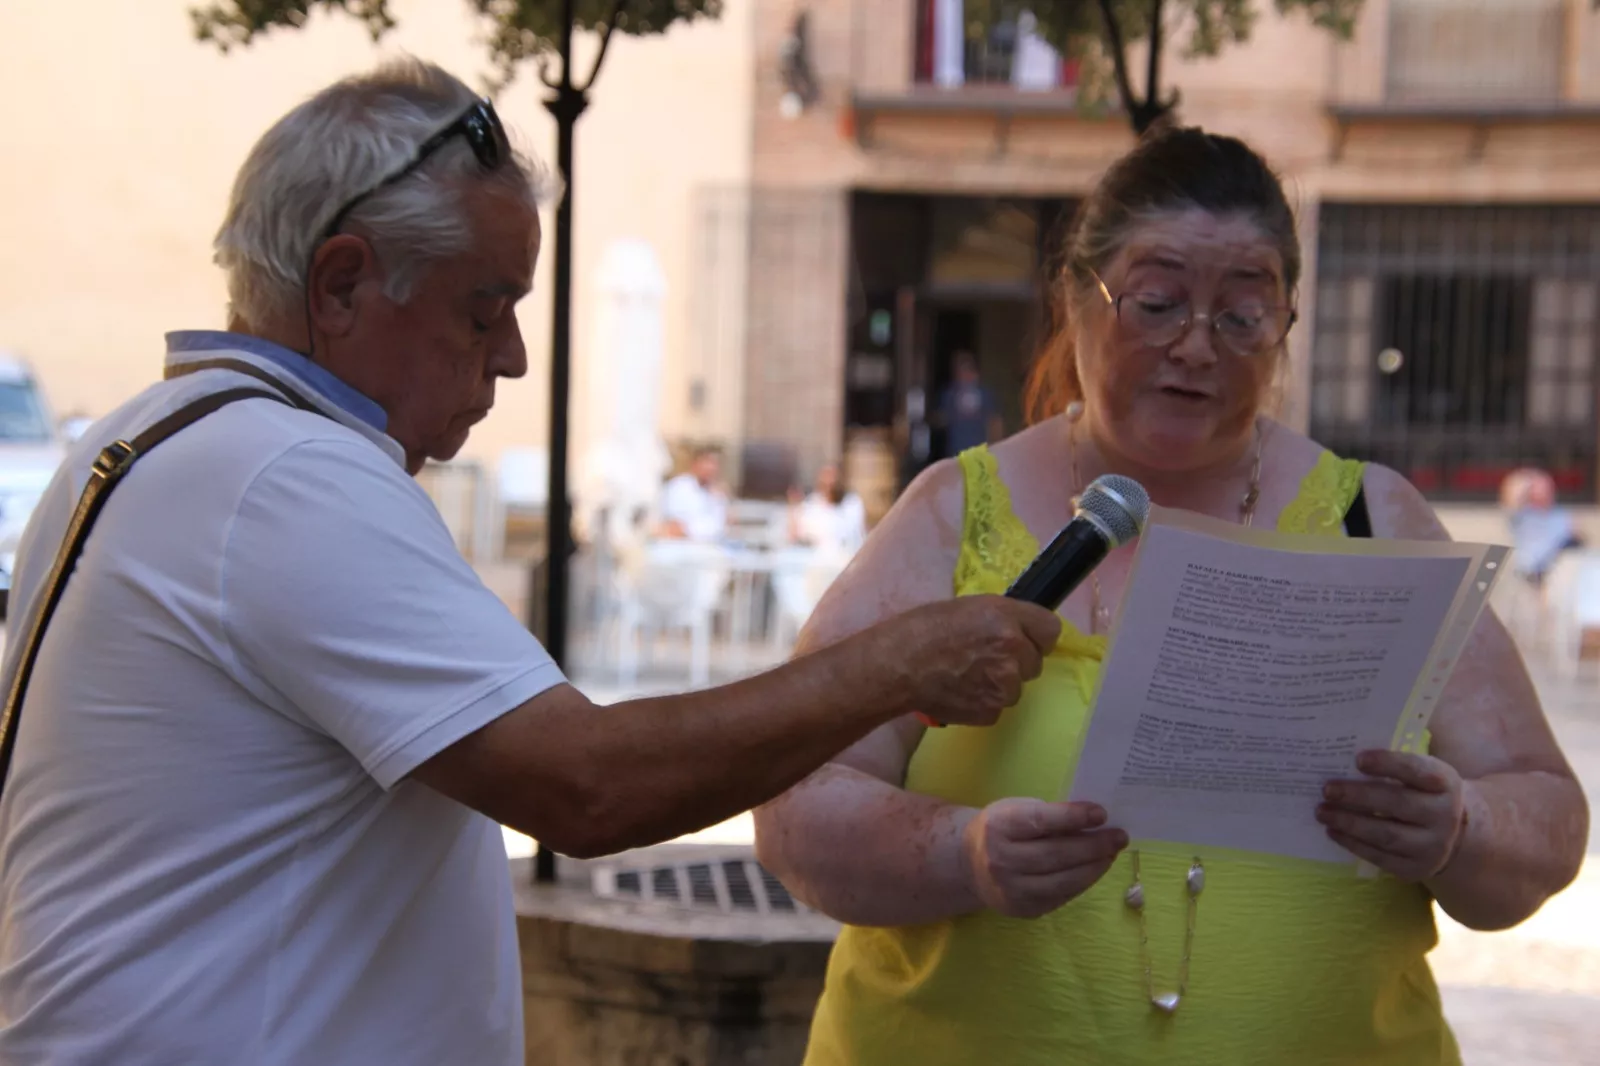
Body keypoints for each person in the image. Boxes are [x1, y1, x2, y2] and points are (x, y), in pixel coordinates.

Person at [0, 60, 1063, 1066]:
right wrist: (895, 667)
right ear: (340, 285)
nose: (511, 355)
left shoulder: (155, 434)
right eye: (485, 307)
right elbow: (587, 785)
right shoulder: (287, 474)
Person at [754, 125, 1589, 1065]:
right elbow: (795, 800)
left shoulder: (1373, 520)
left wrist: (1459, 828)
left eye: (1242, 316)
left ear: (1286, 327)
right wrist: (964, 852)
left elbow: (1549, 814)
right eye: (1156, 303)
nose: (1195, 347)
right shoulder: (955, 513)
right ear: (1077, 296)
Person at [788, 462, 867, 554]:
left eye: (833, 479)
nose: (829, 483)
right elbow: (795, 535)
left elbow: (859, 532)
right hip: (820, 560)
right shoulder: (812, 505)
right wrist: (793, 506)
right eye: (825, 479)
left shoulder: (852, 503)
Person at [656, 445, 729, 542]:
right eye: (707, 462)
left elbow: (720, 526)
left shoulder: (717, 494)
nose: (711, 468)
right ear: (695, 464)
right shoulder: (678, 487)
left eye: (715, 464)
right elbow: (675, 528)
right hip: (681, 547)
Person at [937, 350, 1002, 457]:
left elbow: (995, 422)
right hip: (956, 453)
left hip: (981, 452)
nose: (964, 373)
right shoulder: (950, 395)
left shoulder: (986, 394)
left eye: (968, 368)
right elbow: (942, 419)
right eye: (961, 369)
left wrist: (995, 448)